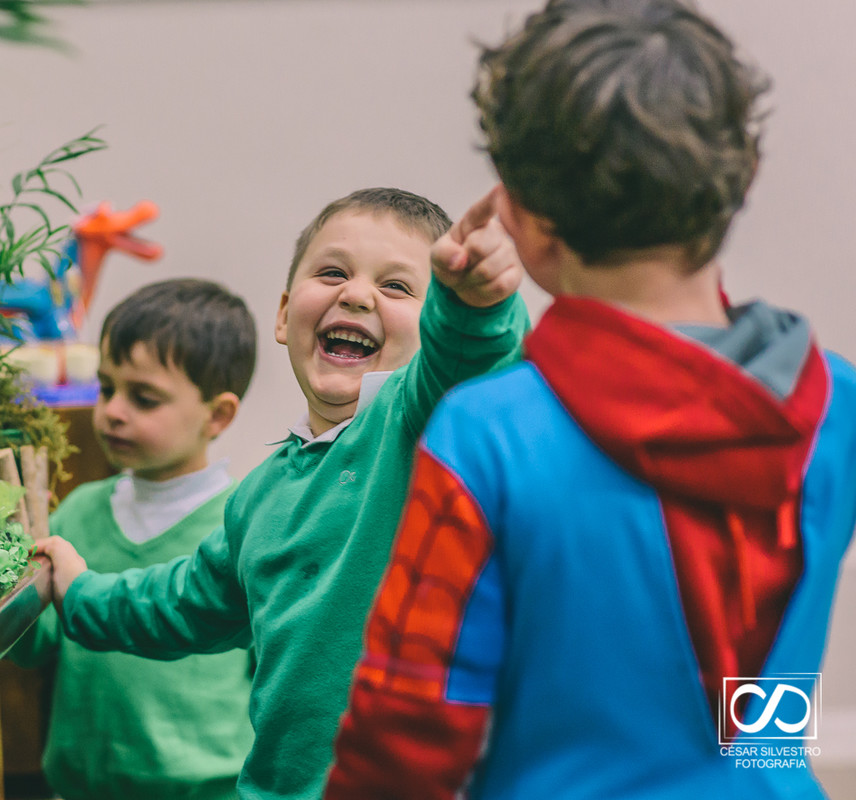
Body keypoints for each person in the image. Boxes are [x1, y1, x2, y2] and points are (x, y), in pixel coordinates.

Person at [325, 2, 856, 798]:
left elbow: (405, 732)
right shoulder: (838, 409)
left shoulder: (487, 436)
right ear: (744, 178)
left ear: (524, 222)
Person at [33, 186, 531, 799]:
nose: (357, 294)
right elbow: (182, 602)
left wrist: (474, 304)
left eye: (397, 286)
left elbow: (469, 353)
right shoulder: (261, 494)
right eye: (333, 273)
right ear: (284, 313)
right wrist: (80, 592)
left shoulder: (417, 424)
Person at [10, 278, 259, 800]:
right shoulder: (78, 511)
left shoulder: (245, 526)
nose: (114, 411)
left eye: (144, 399)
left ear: (217, 415)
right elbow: (34, 646)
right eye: (106, 389)